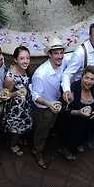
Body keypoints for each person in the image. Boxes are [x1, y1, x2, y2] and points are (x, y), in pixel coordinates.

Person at [30, 38, 67, 169]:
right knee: (42, 131)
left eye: (61, 53)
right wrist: (49, 103)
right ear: (49, 55)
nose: (60, 56)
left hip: (56, 102)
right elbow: (35, 96)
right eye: (56, 53)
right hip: (44, 108)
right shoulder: (40, 74)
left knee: (51, 126)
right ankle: (37, 152)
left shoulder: (62, 62)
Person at [58, 66, 94, 160]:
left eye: (92, 79)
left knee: (80, 136)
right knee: (67, 137)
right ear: (82, 76)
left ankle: (77, 144)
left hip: (85, 122)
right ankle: (64, 148)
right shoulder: (73, 88)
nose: (88, 82)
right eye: (87, 78)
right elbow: (64, 110)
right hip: (70, 122)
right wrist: (78, 112)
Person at [62, 22, 94, 104]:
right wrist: (66, 90)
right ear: (90, 36)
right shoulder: (80, 52)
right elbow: (67, 73)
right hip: (83, 91)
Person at [1, 46, 34, 155]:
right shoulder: (10, 78)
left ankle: (18, 138)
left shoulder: (24, 69)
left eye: (27, 58)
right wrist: (16, 93)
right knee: (16, 127)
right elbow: (5, 95)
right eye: (22, 58)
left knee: (22, 125)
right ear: (15, 60)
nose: (26, 61)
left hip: (24, 103)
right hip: (15, 107)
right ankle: (12, 144)